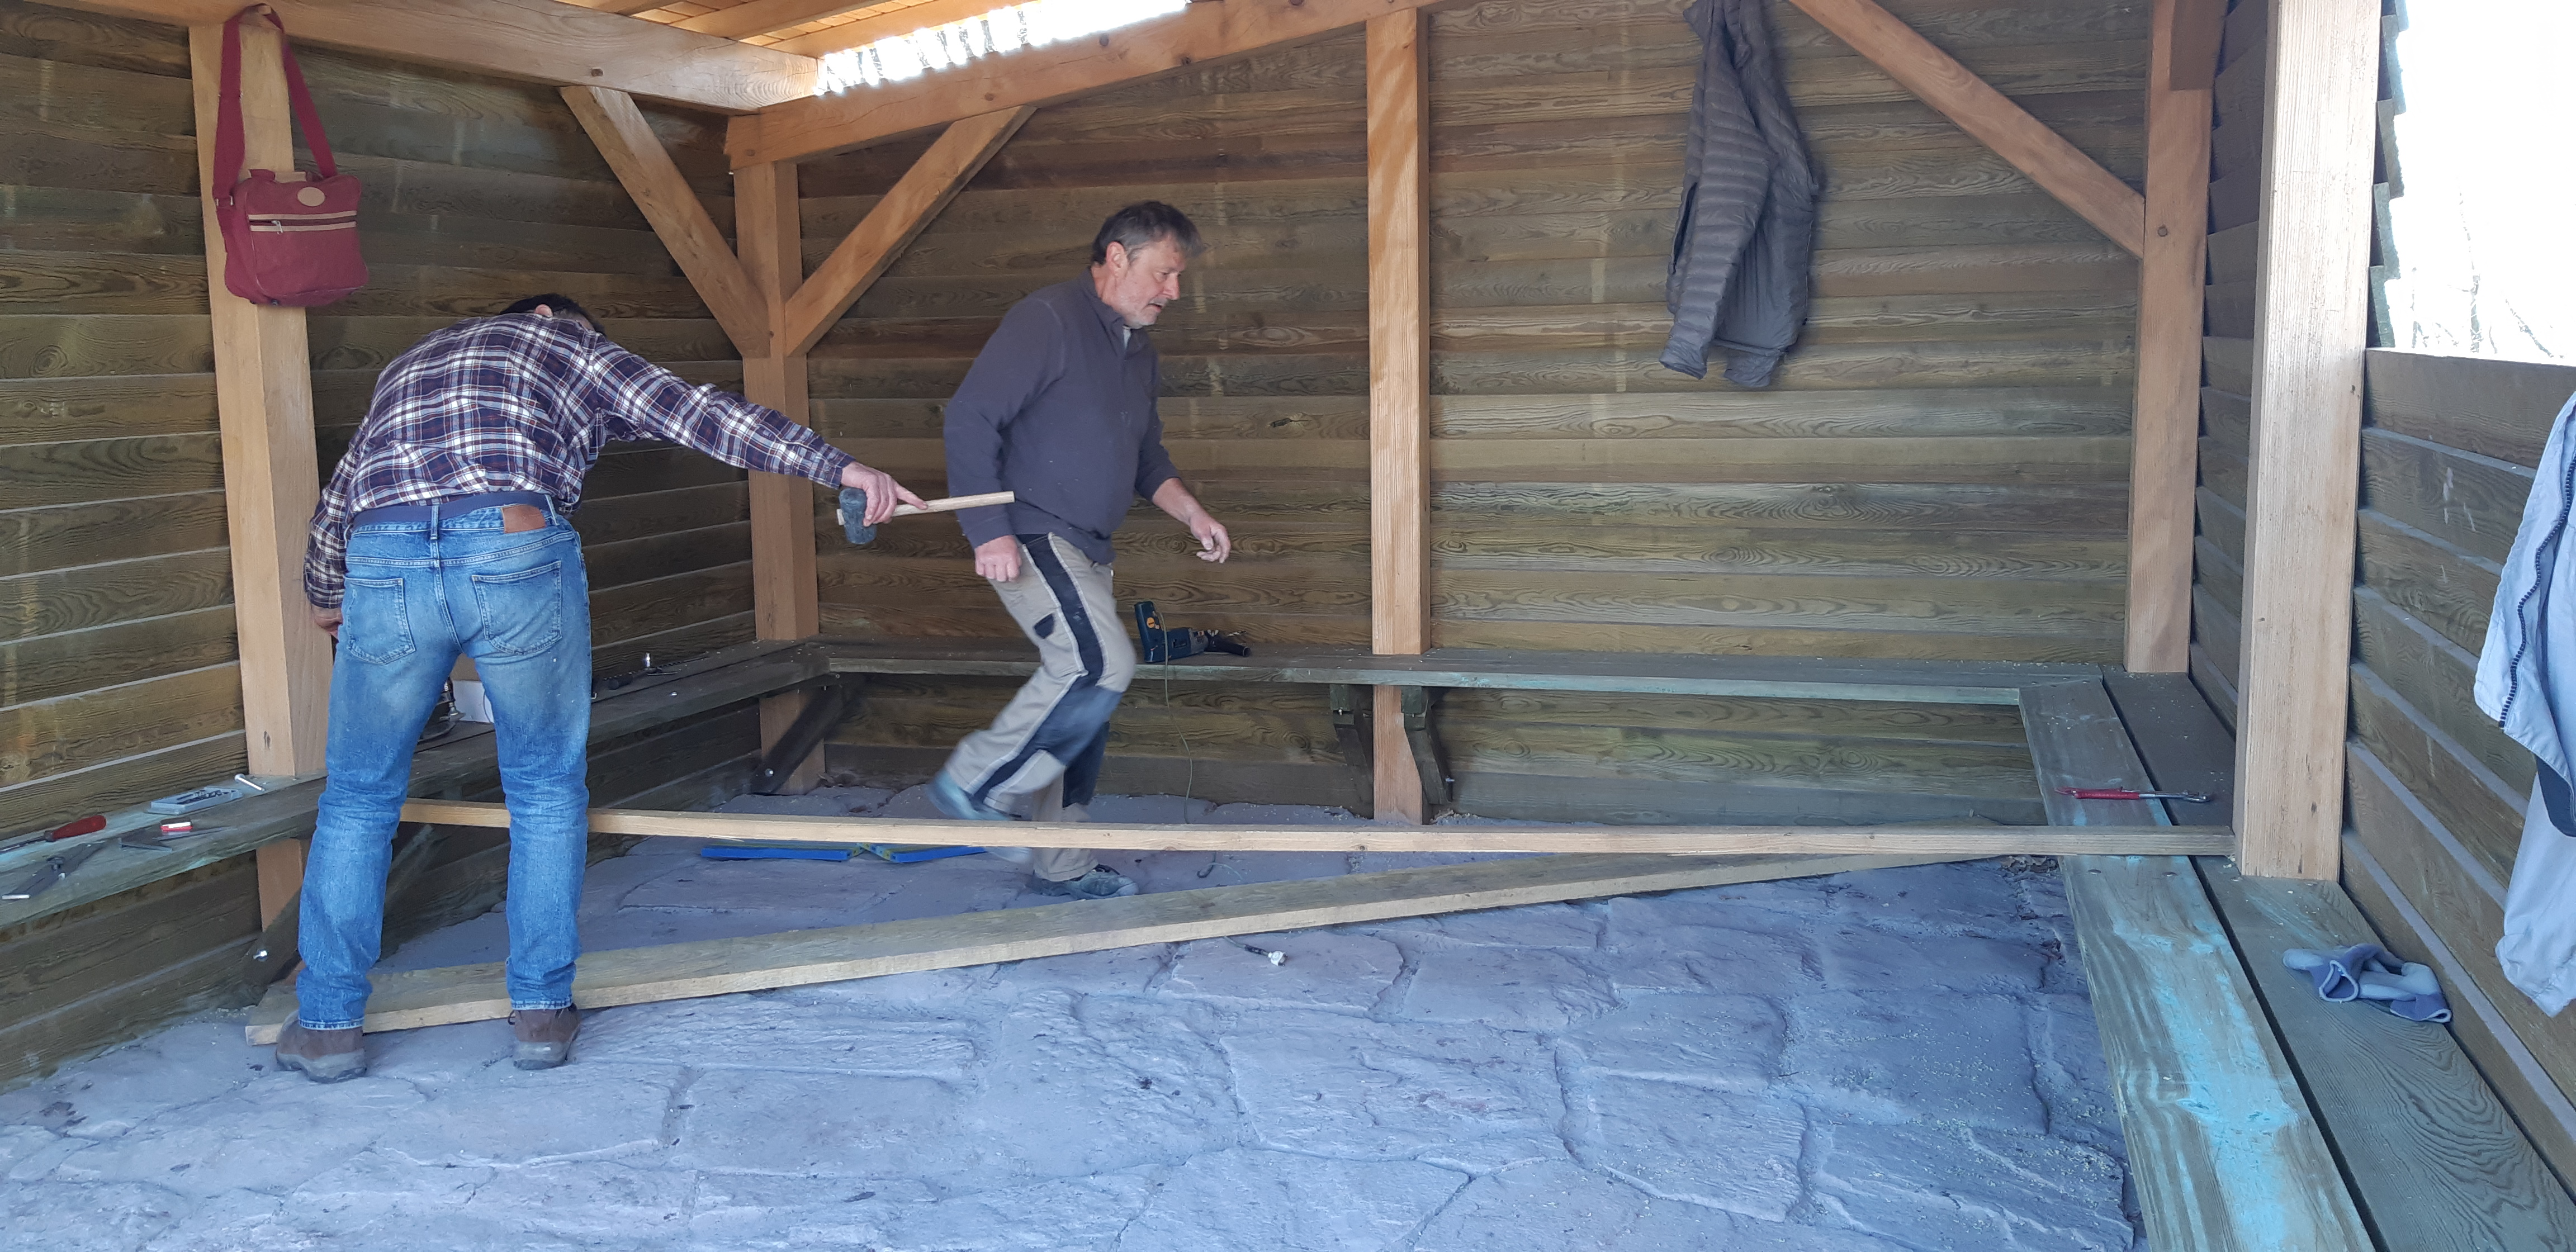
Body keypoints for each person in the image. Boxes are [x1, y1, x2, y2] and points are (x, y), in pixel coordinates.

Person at [276, 295, 925, 1082]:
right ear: (556, 315)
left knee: (357, 795)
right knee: (544, 788)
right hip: (512, 547)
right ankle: (541, 1014)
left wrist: (326, 590)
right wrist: (842, 467)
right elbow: (696, 412)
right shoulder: (565, 342)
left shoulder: (411, 362)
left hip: (383, 556)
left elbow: (343, 490)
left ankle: (328, 1025)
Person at [931, 202, 1232, 898]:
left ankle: (1061, 865)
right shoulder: (1047, 319)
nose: (1174, 291)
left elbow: (1147, 457)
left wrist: (1192, 512)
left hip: (1093, 546)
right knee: (1099, 664)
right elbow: (971, 418)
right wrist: (988, 530)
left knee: (1085, 705)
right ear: (1117, 257)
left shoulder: (1138, 350)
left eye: (1179, 278)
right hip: (1035, 532)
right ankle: (975, 783)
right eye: (1165, 274)